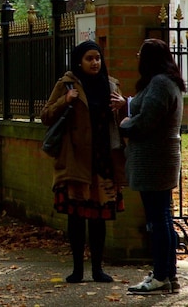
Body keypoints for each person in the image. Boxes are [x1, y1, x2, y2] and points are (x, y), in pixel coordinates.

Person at [41, 40, 126, 283]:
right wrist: (65, 100)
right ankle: (77, 269)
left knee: (99, 218)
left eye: (97, 58)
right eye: (89, 58)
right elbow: (46, 115)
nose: (95, 63)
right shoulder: (67, 84)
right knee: (76, 217)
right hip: (76, 159)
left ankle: (97, 269)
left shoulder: (111, 84)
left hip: (103, 159)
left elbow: (120, 122)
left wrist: (122, 107)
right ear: (79, 61)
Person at [120, 38, 184, 295]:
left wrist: (126, 124)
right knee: (162, 216)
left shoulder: (159, 83)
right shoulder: (166, 82)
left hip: (154, 160)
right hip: (160, 158)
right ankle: (167, 274)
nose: (137, 58)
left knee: (158, 219)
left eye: (140, 54)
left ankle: (160, 276)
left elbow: (147, 121)